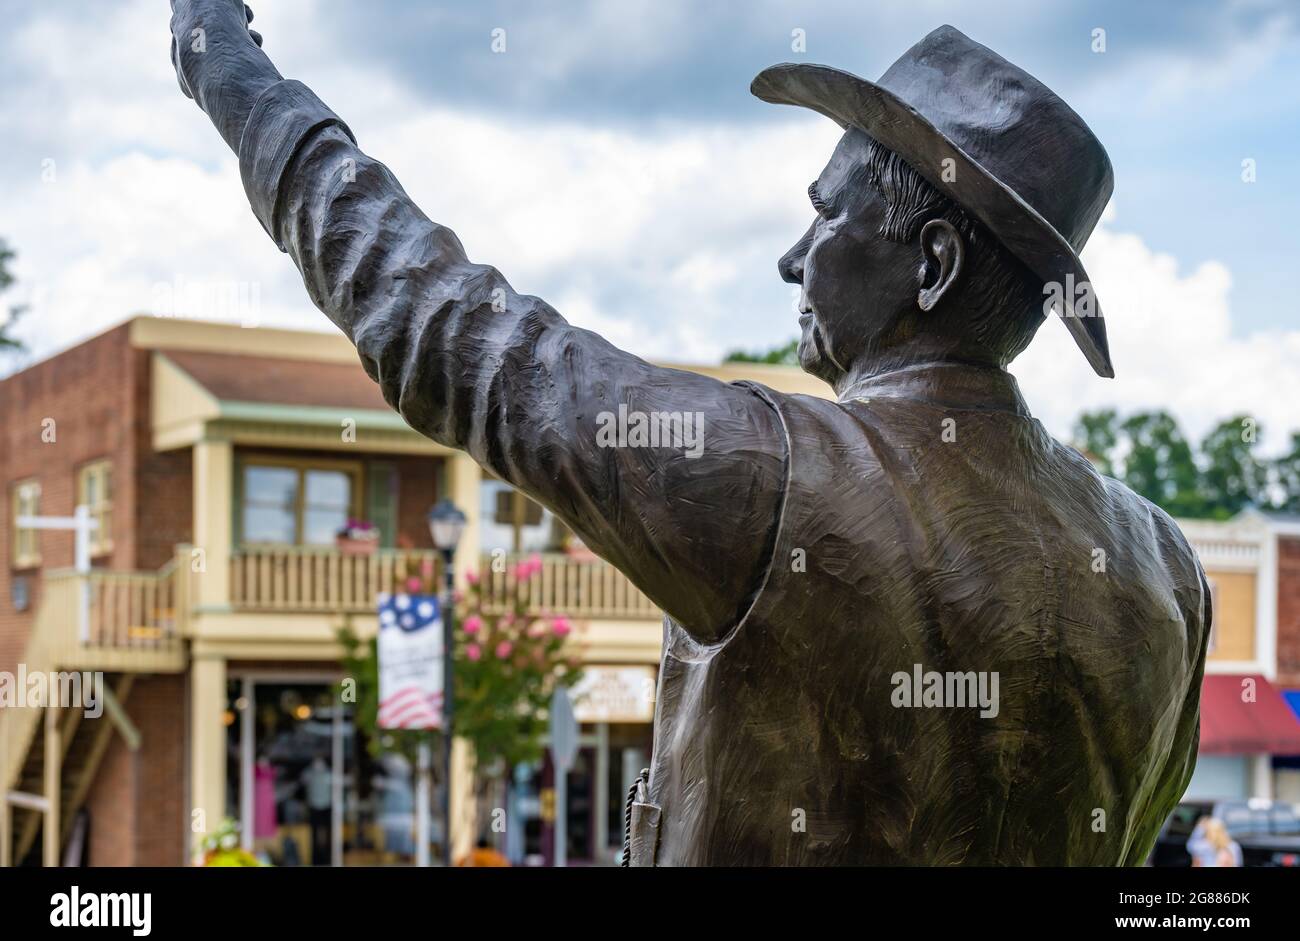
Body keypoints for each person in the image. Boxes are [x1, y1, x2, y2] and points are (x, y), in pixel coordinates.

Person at [168, 5, 1211, 865]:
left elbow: (439, 319)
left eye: (827, 216)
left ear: (930, 263)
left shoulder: (780, 479)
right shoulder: (1168, 573)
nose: (792, 256)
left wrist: (224, 64)